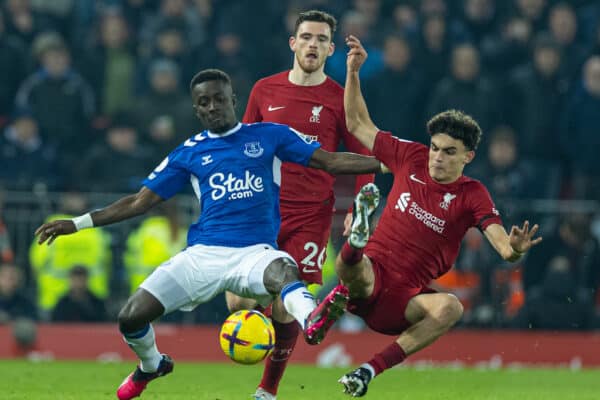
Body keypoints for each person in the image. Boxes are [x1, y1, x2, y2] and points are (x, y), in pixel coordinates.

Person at [35, 68, 384, 400]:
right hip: (202, 256)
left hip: (254, 253)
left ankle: (312, 319)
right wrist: (76, 223)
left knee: (284, 271)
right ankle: (152, 365)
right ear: (196, 108)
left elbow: (330, 161)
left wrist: (389, 161)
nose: (212, 107)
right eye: (204, 103)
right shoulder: (189, 152)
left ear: (234, 99)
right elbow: (140, 202)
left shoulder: (269, 136)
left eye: (219, 99)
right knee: (130, 317)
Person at [332, 36, 542, 397]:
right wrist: (353, 72)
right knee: (358, 269)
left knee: (451, 307)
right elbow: (356, 123)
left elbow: (504, 250)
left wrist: (516, 249)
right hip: (371, 277)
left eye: (449, 152)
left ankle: (368, 370)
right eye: (435, 148)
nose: (437, 157)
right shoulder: (409, 156)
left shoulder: (472, 194)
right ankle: (356, 244)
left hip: (405, 301)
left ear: (468, 157)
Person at [225, 10, 373, 400]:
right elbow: (245, 150)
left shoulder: (339, 99)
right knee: (237, 301)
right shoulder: (264, 90)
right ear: (293, 43)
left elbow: (362, 154)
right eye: (306, 37)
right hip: (261, 210)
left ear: (329, 49)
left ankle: (267, 391)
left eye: (322, 40)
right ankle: (279, 327)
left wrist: (359, 207)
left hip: (310, 215)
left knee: (285, 305)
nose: (313, 44)